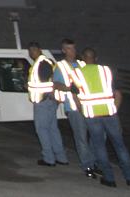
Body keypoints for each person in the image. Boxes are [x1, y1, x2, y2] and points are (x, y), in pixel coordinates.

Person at [75, 47, 130, 188]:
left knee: (99, 146)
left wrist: (83, 111)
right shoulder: (106, 71)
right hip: (110, 113)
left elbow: (76, 97)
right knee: (120, 145)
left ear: (83, 58)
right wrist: (114, 110)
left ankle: (109, 178)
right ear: (96, 58)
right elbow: (118, 94)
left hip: (92, 115)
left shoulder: (78, 73)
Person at [53, 38, 97, 177]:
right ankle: (87, 165)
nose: (72, 51)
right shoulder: (60, 66)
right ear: (63, 50)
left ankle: (93, 162)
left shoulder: (82, 64)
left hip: (88, 105)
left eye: (73, 48)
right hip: (73, 107)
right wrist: (69, 88)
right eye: (69, 48)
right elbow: (55, 84)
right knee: (81, 137)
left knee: (96, 135)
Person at [26, 42, 67, 167]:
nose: (31, 53)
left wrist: (29, 87)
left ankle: (49, 158)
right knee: (53, 129)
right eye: (30, 50)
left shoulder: (42, 63)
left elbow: (46, 82)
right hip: (49, 100)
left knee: (42, 129)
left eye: (33, 50)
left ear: (39, 50)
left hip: (43, 101)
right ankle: (61, 157)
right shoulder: (45, 62)